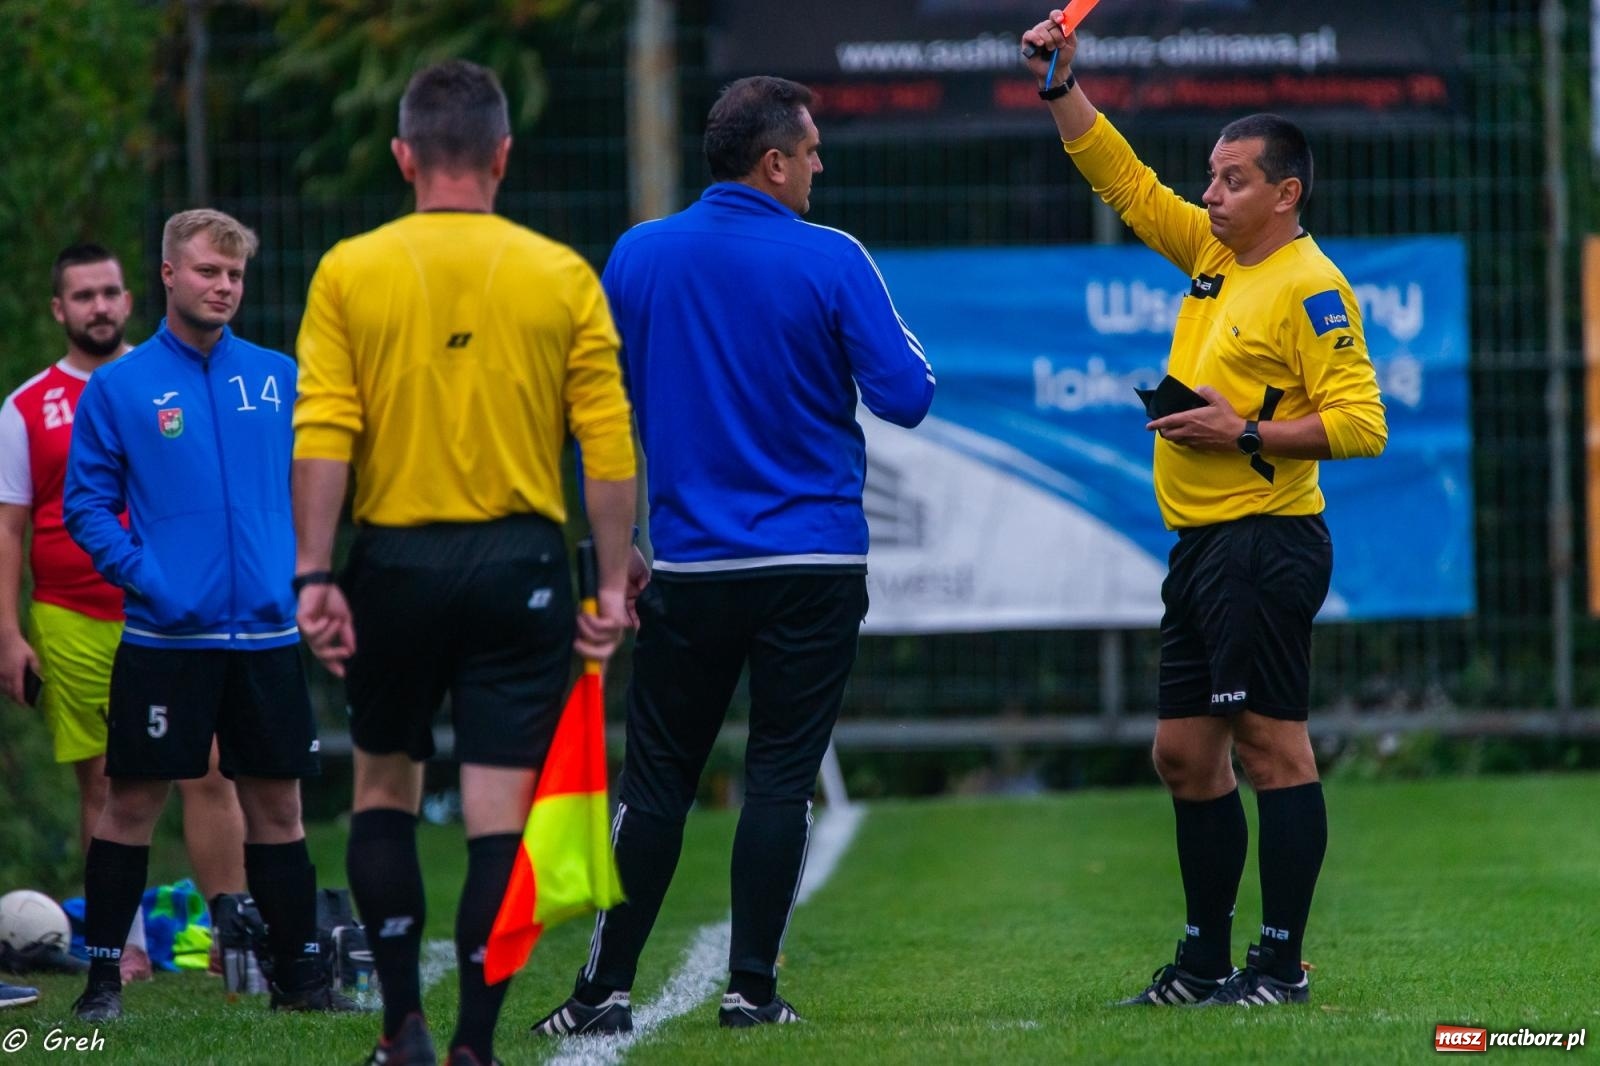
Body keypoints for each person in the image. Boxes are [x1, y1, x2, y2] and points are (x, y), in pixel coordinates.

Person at [530, 75, 935, 1036]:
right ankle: (752, 990)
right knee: (782, 778)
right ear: (774, 162)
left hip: (693, 567)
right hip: (815, 565)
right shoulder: (830, 257)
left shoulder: (637, 255)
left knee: (658, 781)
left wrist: (615, 549)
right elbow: (909, 393)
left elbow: (598, 418)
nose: (821, 166)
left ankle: (602, 992)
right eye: (813, 150)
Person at [1019, 12, 1387, 1007]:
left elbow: (1361, 425)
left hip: (1264, 544)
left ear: (1285, 192)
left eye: (1230, 179)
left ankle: (1276, 965)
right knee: (1183, 754)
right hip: (1201, 548)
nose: (1210, 192)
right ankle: (1201, 963)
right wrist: (1061, 89)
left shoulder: (1313, 288)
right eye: (1211, 177)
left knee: (1272, 747)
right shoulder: (1215, 254)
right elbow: (1126, 184)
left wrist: (1247, 435)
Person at [291, 60, 637, 1066]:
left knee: (384, 788)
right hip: (518, 566)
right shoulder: (560, 273)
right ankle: (474, 1048)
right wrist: (610, 586)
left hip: (391, 562)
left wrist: (315, 575)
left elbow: (325, 431)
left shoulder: (349, 269)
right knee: (497, 817)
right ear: (501, 155)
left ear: (402, 157)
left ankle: (402, 1025)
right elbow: (607, 445)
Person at [62, 210, 357, 1022]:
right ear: (167, 273)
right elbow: (85, 503)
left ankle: (301, 982)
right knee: (131, 805)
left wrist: (300, 571)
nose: (222, 286)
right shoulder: (120, 387)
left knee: (279, 808)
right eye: (206, 272)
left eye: (233, 275)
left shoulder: (277, 375)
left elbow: (320, 483)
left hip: (266, 635)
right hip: (165, 637)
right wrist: (144, 576)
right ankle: (99, 983)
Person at [0, 244, 246, 984]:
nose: (99, 307)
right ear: (59, 310)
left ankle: (235, 934)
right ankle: (125, 943)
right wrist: (8, 632)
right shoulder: (23, 409)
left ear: (132, 299)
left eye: (110, 292)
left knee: (210, 771)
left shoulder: (172, 382)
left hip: (177, 615)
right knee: (107, 781)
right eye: (83, 296)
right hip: (73, 615)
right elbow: (11, 525)